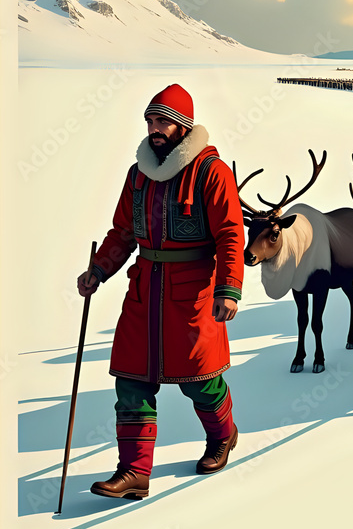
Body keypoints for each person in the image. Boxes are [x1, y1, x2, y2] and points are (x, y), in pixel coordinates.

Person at [77, 84, 245, 499]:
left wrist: (229, 289)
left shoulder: (211, 172)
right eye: (150, 121)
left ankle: (223, 435)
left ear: (183, 128)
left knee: (199, 382)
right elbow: (123, 232)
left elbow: (228, 234)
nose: (155, 128)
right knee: (131, 381)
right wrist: (99, 269)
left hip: (194, 295)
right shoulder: (138, 175)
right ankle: (134, 471)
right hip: (144, 290)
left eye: (163, 121)